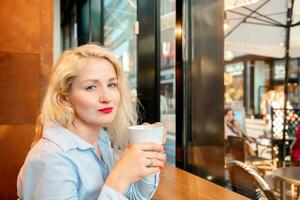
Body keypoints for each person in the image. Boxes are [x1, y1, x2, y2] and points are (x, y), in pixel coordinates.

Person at [17, 44, 167, 200]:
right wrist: (119, 178)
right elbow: (117, 188)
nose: (107, 97)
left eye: (112, 85)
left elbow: (134, 196)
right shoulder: (51, 157)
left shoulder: (101, 141)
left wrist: (148, 153)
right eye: (91, 87)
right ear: (64, 98)